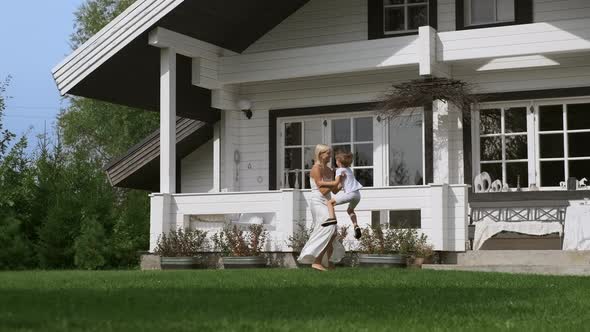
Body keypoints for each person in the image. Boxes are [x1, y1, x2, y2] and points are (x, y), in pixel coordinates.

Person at [297, 144, 345, 271]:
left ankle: (327, 262)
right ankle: (317, 261)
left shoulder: (329, 170)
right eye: (327, 153)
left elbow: (333, 191)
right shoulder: (315, 168)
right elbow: (322, 190)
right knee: (329, 227)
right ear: (320, 154)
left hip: (328, 202)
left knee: (333, 232)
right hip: (318, 202)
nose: (330, 155)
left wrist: (341, 182)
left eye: (330, 153)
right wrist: (335, 182)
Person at [325, 151, 363, 240]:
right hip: (357, 195)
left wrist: (327, 184)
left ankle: (331, 220)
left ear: (338, 161)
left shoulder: (340, 170)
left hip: (350, 194)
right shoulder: (349, 170)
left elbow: (336, 182)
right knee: (350, 210)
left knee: (330, 203)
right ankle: (356, 226)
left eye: (336, 160)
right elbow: (336, 189)